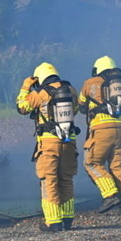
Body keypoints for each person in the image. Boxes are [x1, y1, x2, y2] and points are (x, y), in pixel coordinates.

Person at [17, 62, 80, 231]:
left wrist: (25, 87)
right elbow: (77, 109)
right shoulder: (71, 90)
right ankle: (67, 219)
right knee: (66, 179)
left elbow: (21, 107)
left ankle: (53, 221)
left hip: (49, 143)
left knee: (49, 180)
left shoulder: (40, 92)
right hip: (69, 141)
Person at [79, 56, 121, 215]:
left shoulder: (89, 84)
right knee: (118, 166)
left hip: (101, 129)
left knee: (92, 162)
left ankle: (110, 195)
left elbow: (81, 106)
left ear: (97, 69)